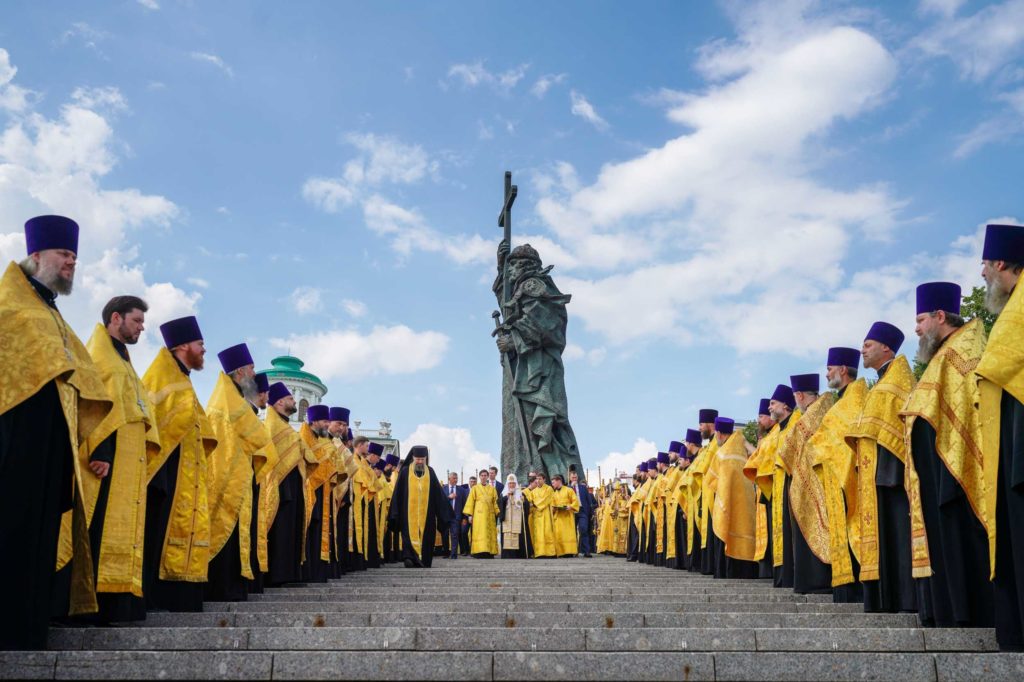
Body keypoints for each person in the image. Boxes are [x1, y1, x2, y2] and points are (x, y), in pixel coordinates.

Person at [0, 216, 112, 648]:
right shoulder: (11, 306)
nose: (72, 262)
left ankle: (30, 627)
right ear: (36, 256)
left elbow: (83, 376)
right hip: (15, 439)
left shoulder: (54, 315)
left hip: (51, 444)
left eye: (74, 257)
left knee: (41, 530)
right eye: (65, 254)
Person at [902, 282, 993, 628]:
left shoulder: (965, 350)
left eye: (921, 319)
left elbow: (969, 412)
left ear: (940, 316)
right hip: (938, 476)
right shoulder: (942, 355)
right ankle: (948, 610)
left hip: (955, 476)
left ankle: (966, 613)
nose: (917, 328)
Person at [77, 297, 159, 624]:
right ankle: (89, 606)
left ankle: (114, 604)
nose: (141, 327)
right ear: (116, 318)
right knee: (97, 528)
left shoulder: (122, 359)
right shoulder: (101, 356)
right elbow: (97, 401)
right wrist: (101, 451)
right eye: (137, 321)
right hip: (105, 460)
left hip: (128, 462)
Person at [141, 316, 217, 612]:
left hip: (183, 477)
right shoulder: (162, 378)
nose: (204, 350)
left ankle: (170, 596)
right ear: (183, 345)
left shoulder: (183, 380)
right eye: (200, 344)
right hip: (162, 474)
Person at [975, 223, 1024, 651]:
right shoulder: (1009, 310)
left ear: (1002, 263)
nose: (984, 276)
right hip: (1010, 439)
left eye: (986, 267)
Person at [847, 321, 916, 615]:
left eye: (868, 344)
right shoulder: (880, 383)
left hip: (891, 473)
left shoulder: (897, 381)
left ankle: (904, 600)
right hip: (876, 474)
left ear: (886, 348)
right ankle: (886, 600)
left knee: (899, 537)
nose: (862, 349)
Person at [205, 342, 273, 602]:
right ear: (240, 372)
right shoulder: (225, 403)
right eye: (252, 369)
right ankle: (220, 588)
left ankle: (233, 587)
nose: (255, 376)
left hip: (240, 475)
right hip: (226, 477)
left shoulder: (234, 400)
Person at [808, 347, 868, 604]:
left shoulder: (854, 400)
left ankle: (857, 589)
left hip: (850, 476)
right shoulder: (841, 402)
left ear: (843, 370)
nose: (827, 374)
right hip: (836, 476)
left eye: (830, 369)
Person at [777, 373, 833, 595]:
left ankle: (817, 581)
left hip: (816, 478)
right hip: (812, 477)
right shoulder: (822, 409)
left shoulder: (813, 414)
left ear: (799, 395)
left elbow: (786, 450)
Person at [260, 383, 309, 586]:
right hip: (280, 485)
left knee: (291, 530)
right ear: (280, 401)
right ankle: (277, 575)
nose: (294, 401)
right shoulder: (272, 426)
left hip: (293, 485)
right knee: (281, 530)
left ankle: (289, 573)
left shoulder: (286, 426)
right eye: (290, 398)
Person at [708, 417, 759, 579]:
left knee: (727, 530)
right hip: (747, 503)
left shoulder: (723, 452)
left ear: (719, 433)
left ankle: (725, 571)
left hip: (727, 503)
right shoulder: (740, 449)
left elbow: (712, 480)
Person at [387, 446, 451, 567]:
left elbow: (438, 494)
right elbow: (398, 493)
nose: (420, 462)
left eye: (422, 459)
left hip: (427, 514)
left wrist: (445, 513)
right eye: (418, 459)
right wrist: (395, 512)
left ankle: (424, 559)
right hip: (408, 514)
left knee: (427, 537)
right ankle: (409, 557)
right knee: (408, 535)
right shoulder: (405, 472)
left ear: (426, 458)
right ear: (413, 458)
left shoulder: (430, 472)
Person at [764, 384, 801, 588]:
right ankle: (784, 576)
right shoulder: (778, 430)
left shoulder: (797, 423)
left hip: (793, 485)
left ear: (785, 405)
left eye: (772, 404)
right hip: (779, 487)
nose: (769, 408)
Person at [298, 405, 337, 581]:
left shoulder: (322, 441)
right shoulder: (303, 438)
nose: (327, 425)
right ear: (314, 421)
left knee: (318, 531)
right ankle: (307, 571)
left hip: (323, 491)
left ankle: (315, 572)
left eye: (328, 421)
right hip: (308, 489)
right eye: (325, 421)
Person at [744, 401, 777, 578]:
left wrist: (746, 444)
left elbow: (759, 456)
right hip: (763, 490)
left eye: (761, 417)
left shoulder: (776, 434)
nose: (759, 421)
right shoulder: (766, 437)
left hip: (773, 488)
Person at [464, 468, 500, 557]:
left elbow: (495, 502)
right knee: (479, 533)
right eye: (482, 476)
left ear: (488, 477)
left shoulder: (492, 489)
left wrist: (498, 512)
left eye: (485, 475)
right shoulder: (475, 488)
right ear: (479, 477)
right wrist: (469, 515)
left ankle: (489, 552)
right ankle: (478, 552)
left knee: (489, 533)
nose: (483, 477)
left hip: (489, 515)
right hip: (478, 516)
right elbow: (470, 502)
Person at [524, 472, 556, 557]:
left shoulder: (549, 489)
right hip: (536, 517)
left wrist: (535, 504)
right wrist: (527, 504)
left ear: (544, 480)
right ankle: (539, 553)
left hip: (546, 515)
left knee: (547, 532)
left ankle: (550, 553)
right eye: (537, 479)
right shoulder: (533, 492)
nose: (538, 481)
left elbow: (547, 500)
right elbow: (529, 502)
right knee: (538, 535)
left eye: (540, 479)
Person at [499, 474, 531, 558]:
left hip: (517, 521)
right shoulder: (503, 494)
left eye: (513, 483)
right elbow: (499, 505)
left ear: (516, 484)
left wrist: (524, 502)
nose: (511, 485)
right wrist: (506, 497)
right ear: (507, 484)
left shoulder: (521, 494)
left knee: (519, 536)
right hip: (507, 520)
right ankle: (507, 555)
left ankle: (518, 554)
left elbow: (526, 505)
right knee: (507, 535)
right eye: (510, 483)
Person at [550, 474, 580, 558]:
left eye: (553, 482)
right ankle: (561, 551)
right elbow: (552, 505)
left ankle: (569, 552)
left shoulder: (569, 490)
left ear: (559, 481)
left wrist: (570, 506)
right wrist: (554, 509)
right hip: (559, 517)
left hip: (567, 516)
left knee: (568, 534)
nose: (552, 484)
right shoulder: (554, 493)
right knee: (559, 534)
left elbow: (575, 501)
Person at [442, 472, 467, 559]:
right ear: (449, 479)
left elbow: (464, 504)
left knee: (455, 535)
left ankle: (453, 554)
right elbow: (440, 501)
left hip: (456, 516)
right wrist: (449, 497)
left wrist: (464, 517)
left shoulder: (461, 490)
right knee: (445, 535)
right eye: (454, 478)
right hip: (445, 516)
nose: (456, 480)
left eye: (456, 478)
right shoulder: (443, 489)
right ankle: (446, 553)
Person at [569, 470, 593, 557]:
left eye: (575, 477)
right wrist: (571, 487)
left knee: (583, 529)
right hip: (571, 511)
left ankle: (586, 551)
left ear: (577, 478)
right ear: (570, 478)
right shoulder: (567, 488)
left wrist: (590, 512)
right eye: (572, 477)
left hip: (582, 510)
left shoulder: (583, 488)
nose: (574, 479)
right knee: (572, 531)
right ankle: (573, 551)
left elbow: (588, 500)